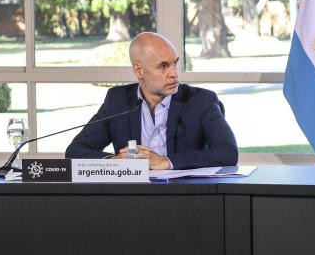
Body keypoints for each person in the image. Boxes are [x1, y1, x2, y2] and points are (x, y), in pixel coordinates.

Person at [65, 32, 238, 170]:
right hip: (132, 198)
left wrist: (166, 162)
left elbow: (228, 152)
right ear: (139, 70)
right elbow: (75, 152)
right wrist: (115, 161)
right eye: (163, 66)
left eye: (174, 64)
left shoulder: (201, 101)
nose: (174, 73)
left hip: (185, 196)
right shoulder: (118, 100)